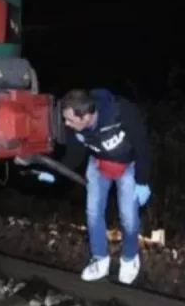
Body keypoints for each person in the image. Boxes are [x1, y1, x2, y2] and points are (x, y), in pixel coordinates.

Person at [36, 88, 152, 285]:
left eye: (70, 120)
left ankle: (129, 259)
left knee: (129, 217)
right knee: (93, 212)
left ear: (87, 116)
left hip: (127, 166)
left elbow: (143, 146)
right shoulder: (76, 128)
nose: (66, 124)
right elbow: (74, 155)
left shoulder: (122, 112)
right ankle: (100, 259)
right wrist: (56, 172)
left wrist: (143, 181)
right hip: (98, 165)